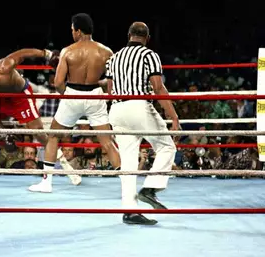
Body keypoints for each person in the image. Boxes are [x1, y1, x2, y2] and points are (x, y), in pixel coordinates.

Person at [0, 48, 81, 185]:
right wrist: (4, 133)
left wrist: (47, 54)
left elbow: (22, 54)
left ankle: (67, 168)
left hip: (20, 96)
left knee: (39, 133)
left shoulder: (3, 68)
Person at [29, 13, 120, 193]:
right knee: (107, 142)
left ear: (78, 31)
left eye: (72, 30)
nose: (72, 33)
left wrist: (69, 96)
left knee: (53, 136)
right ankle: (127, 185)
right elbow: (112, 81)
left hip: (72, 95)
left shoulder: (68, 51)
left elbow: (58, 83)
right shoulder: (107, 52)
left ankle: (47, 183)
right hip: (96, 95)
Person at [106, 22, 179, 225]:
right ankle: (150, 188)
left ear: (129, 35)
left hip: (117, 109)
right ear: (147, 38)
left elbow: (110, 90)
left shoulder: (113, 58)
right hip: (138, 106)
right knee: (166, 146)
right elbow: (158, 87)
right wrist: (173, 116)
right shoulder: (149, 55)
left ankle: (129, 211)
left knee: (128, 164)